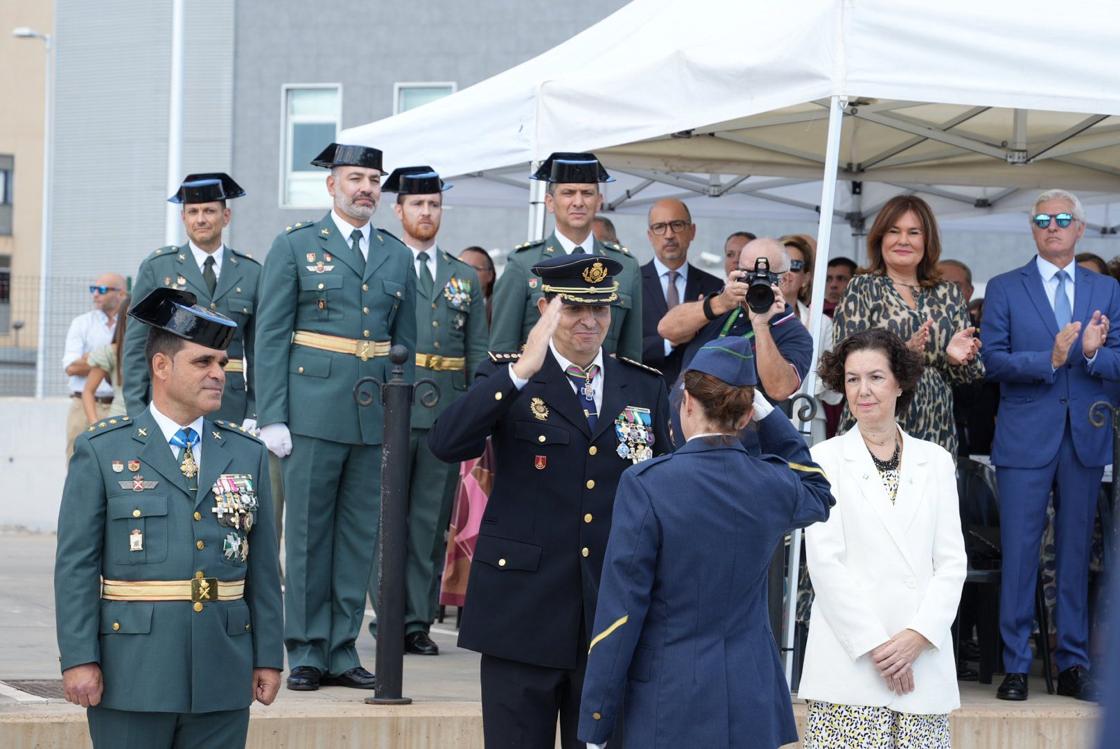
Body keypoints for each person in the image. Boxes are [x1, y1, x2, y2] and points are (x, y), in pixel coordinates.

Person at [428, 254, 670, 749]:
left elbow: (665, 488)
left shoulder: (642, 385)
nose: (589, 321)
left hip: (607, 613)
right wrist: (519, 371)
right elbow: (446, 443)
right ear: (545, 309)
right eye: (574, 308)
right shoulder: (510, 378)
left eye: (600, 310)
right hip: (522, 613)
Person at [577, 337, 834, 749]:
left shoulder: (649, 485)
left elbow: (620, 614)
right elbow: (818, 489)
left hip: (672, 697)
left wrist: (596, 721)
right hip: (753, 697)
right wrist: (769, 416)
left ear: (688, 403)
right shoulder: (770, 482)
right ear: (747, 413)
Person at [54, 288, 283, 749]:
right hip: (133, 672)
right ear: (161, 367)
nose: (219, 374)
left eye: (222, 363)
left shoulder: (247, 453)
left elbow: (262, 566)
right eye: (203, 363)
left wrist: (268, 656)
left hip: (222, 670)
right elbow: (76, 565)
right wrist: (79, 658)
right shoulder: (103, 451)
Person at [254, 142, 417, 692]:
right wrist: (270, 413)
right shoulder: (297, 246)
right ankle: (303, 648)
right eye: (355, 178)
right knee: (304, 536)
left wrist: (400, 416)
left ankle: (342, 647)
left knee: (355, 539)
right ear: (331, 185)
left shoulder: (397, 256)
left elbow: (405, 345)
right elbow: (270, 335)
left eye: (373, 178)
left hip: (373, 418)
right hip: (311, 412)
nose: (366, 187)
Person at [981, 188, 1120, 702]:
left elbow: (1119, 362)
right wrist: (1052, 358)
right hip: (1025, 437)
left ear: (1081, 228)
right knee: (1019, 553)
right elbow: (992, 362)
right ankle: (1016, 665)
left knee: (1075, 553)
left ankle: (1073, 665)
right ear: (1033, 229)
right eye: (1042, 219)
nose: (1053, 225)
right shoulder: (1003, 287)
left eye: (1064, 218)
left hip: (1084, 436)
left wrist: (1087, 356)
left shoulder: (1106, 290)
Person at [800, 328, 967, 749]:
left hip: (922, 663)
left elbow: (951, 563)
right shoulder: (823, 459)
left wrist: (918, 636)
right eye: (853, 379)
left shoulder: (936, 460)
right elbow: (825, 564)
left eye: (875, 377)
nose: (863, 390)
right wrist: (879, 648)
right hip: (851, 662)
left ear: (899, 382)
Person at [366, 166, 486, 656]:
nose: (426, 212)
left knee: (427, 524)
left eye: (434, 204)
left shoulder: (462, 275)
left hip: (444, 412)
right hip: (391, 407)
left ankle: (416, 621)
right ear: (398, 211)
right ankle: (388, 617)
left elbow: (477, 349)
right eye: (417, 204)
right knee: (382, 522)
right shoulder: (383, 264)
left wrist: (477, 413)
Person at [833, 195, 983, 455]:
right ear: (880, 238)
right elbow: (844, 361)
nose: (903, 240)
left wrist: (959, 359)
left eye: (913, 232)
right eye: (894, 231)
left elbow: (972, 375)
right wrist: (903, 353)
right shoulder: (862, 288)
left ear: (927, 241)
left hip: (936, 424)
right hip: (877, 420)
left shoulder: (949, 293)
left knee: (929, 494)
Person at [123, 173, 260, 426]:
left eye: (209, 211)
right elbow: (135, 346)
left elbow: (258, 351)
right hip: (170, 404)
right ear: (183, 218)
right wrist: (136, 410)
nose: (201, 219)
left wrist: (254, 410)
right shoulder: (158, 267)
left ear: (226, 217)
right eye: (193, 212)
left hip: (229, 405)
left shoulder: (251, 272)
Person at [489, 152, 643, 361]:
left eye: (587, 193)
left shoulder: (625, 266)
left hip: (603, 389)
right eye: (568, 193)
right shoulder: (522, 263)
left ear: (599, 202)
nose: (578, 202)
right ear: (550, 202)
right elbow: (502, 352)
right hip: (539, 389)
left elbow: (631, 356)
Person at [662, 238, 814, 425]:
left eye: (765, 277)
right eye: (747, 274)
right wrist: (720, 303)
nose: (754, 283)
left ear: (783, 279)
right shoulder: (724, 305)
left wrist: (761, 326)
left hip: (738, 443)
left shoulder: (794, 332)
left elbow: (779, 389)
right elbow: (666, 329)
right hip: (682, 431)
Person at [640, 198, 723, 385]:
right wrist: (669, 342)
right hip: (643, 397)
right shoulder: (631, 283)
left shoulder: (715, 287)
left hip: (698, 400)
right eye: (659, 227)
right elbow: (621, 350)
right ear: (650, 235)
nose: (669, 234)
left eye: (677, 225)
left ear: (692, 231)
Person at [63, 273, 126, 458]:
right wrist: (109, 358)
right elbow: (71, 368)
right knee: (77, 463)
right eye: (94, 289)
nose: (95, 294)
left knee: (116, 465)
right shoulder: (82, 323)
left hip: (118, 406)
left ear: (121, 294)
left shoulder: (129, 325)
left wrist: (90, 358)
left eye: (102, 290)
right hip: (82, 405)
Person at [81, 295, 130, 424]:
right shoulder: (112, 352)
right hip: (119, 421)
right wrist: (94, 424)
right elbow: (88, 391)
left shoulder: (156, 351)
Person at [459, 245, 496, 323]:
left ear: (490, 275)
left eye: (474, 269)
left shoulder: (497, 311)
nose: (465, 272)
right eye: (461, 266)